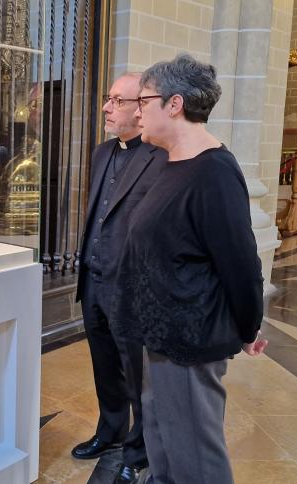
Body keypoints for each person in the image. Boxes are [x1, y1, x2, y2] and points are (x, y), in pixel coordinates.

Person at [110, 54, 268, 484]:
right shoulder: (169, 161)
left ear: (174, 103)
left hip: (190, 338)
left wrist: (248, 327)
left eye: (144, 100)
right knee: (162, 444)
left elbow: (240, 263)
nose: (136, 110)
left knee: (195, 456)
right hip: (159, 331)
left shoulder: (213, 170)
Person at [73, 72, 167, 484]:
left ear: (140, 109)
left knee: (137, 374)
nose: (107, 108)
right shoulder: (100, 152)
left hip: (129, 286)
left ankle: (139, 449)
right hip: (94, 278)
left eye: (117, 100)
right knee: (104, 364)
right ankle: (110, 430)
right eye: (108, 99)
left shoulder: (160, 157)